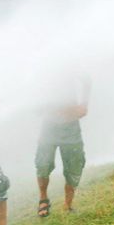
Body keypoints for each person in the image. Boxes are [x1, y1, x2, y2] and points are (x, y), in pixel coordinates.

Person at [36, 74, 91, 217]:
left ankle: (68, 205)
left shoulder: (67, 59)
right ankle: (43, 199)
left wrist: (83, 105)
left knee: (75, 165)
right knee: (43, 164)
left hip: (70, 124)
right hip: (49, 125)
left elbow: (86, 78)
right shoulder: (40, 63)